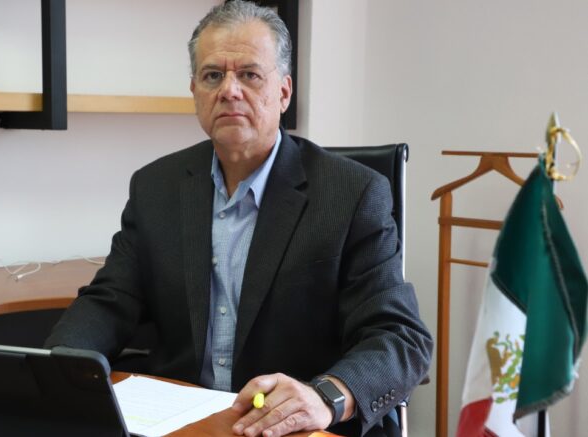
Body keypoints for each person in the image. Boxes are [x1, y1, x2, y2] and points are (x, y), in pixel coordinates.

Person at [45, 2, 432, 436]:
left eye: (249, 74)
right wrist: (57, 370)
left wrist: (326, 396)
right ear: (195, 90)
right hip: (184, 422)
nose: (229, 90)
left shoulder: (353, 194)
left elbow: (401, 339)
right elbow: (110, 301)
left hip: (293, 427)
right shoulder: (156, 187)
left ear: (283, 92)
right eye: (213, 76)